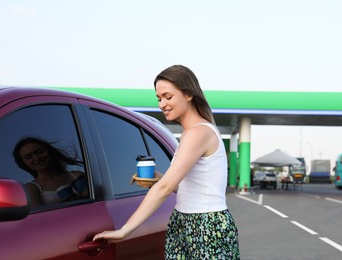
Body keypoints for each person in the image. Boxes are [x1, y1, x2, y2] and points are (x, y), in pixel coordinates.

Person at [93, 65, 240, 259]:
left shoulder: (199, 132)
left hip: (206, 225)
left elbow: (165, 188)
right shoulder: (191, 134)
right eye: (159, 98)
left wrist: (125, 230)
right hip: (184, 221)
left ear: (188, 94)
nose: (162, 104)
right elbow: (196, 187)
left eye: (168, 96)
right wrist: (159, 180)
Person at [13, 137, 88, 207]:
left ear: (49, 151)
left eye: (39, 152)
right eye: (28, 157)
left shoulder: (77, 175)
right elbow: (39, 218)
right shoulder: (32, 188)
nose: (37, 158)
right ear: (24, 163)